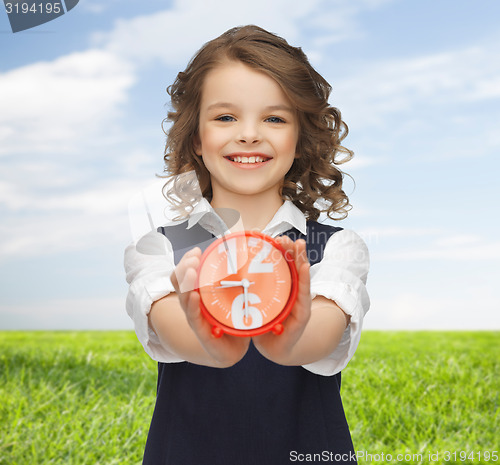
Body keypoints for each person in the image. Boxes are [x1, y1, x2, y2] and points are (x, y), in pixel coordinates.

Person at [125, 25, 370, 465]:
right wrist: (212, 345)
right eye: (225, 117)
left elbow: (323, 333)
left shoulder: (336, 249)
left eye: (274, 118)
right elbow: (171, 327)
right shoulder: (158, 249)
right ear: (196, 138)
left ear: (301, 138)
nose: (249, 134)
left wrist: (290, 340)